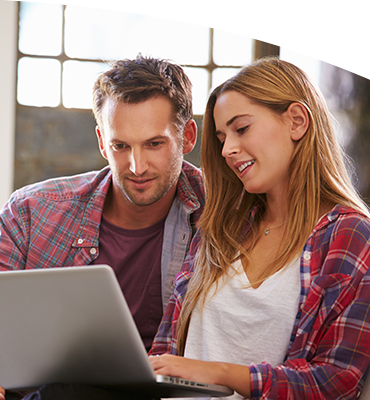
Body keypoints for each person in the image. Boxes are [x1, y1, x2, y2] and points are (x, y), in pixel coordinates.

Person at [149, 57, 370, 399]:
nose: (227, 150)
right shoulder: (221, 229)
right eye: (221, 137)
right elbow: (166, 352)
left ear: (297, 121)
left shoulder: (350, 235)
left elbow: (335, 380)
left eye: (241, 129)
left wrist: (219, 373)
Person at [0, 55, 204, 399]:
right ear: (100, 141)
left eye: (154, 144)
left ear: (187, 137)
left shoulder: (221, 217)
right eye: (120, 146)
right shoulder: (30, 212)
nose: (136, 166)